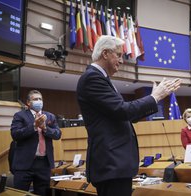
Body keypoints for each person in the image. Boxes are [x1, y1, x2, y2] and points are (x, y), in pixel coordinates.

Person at [76, 35, 181, 196]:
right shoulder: (92, 78)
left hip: (114, 165)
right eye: (118, 55)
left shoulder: (101, 79)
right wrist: (155, 97)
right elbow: (123, 110)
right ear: (105, 54)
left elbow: (126, 115)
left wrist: (152, 98)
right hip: (111, 164)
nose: (122, 60)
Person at [10, 90, 61, 196]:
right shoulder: (20, 116)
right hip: (24, 164)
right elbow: (15, 134)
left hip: (43, 163)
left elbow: (57, 134)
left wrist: (45, 128)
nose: (39, 101)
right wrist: (34, 126)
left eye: (40, 99)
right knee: (20, 194)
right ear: (28, 102)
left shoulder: (50, 116)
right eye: (35, 99)